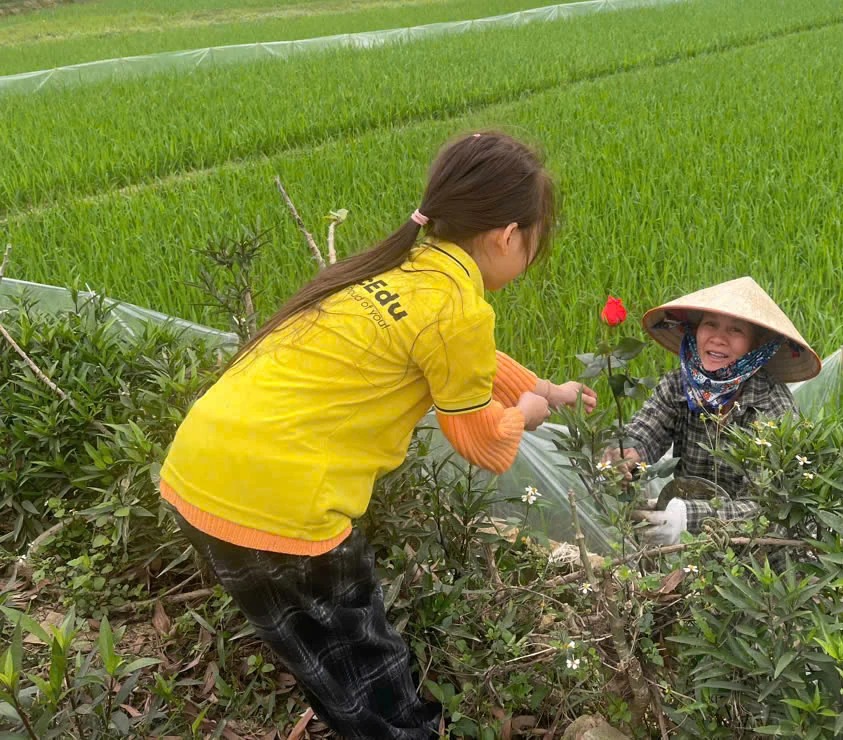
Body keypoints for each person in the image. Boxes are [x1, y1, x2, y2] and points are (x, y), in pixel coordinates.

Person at [159, 132, 597, 740]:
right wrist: (525, 413)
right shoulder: (458, 307)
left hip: (197, 478)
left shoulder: (397, 268)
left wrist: (547, 389)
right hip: (287, 508)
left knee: (318, 655)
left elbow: (462, 362)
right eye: (533, 243)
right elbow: (484, 443)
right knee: (375, 676)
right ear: (506, 235)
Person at [603, 277, 821, 545]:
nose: (718, 338)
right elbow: (646, 429)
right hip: (688, 544)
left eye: (736, 330)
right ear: (695, 331)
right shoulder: (679, 386)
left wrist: (687, 518)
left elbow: (770, 508)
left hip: (757, 549)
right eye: (710, 324)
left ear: (756, 345)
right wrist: (626, 455)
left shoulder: (773, 410)